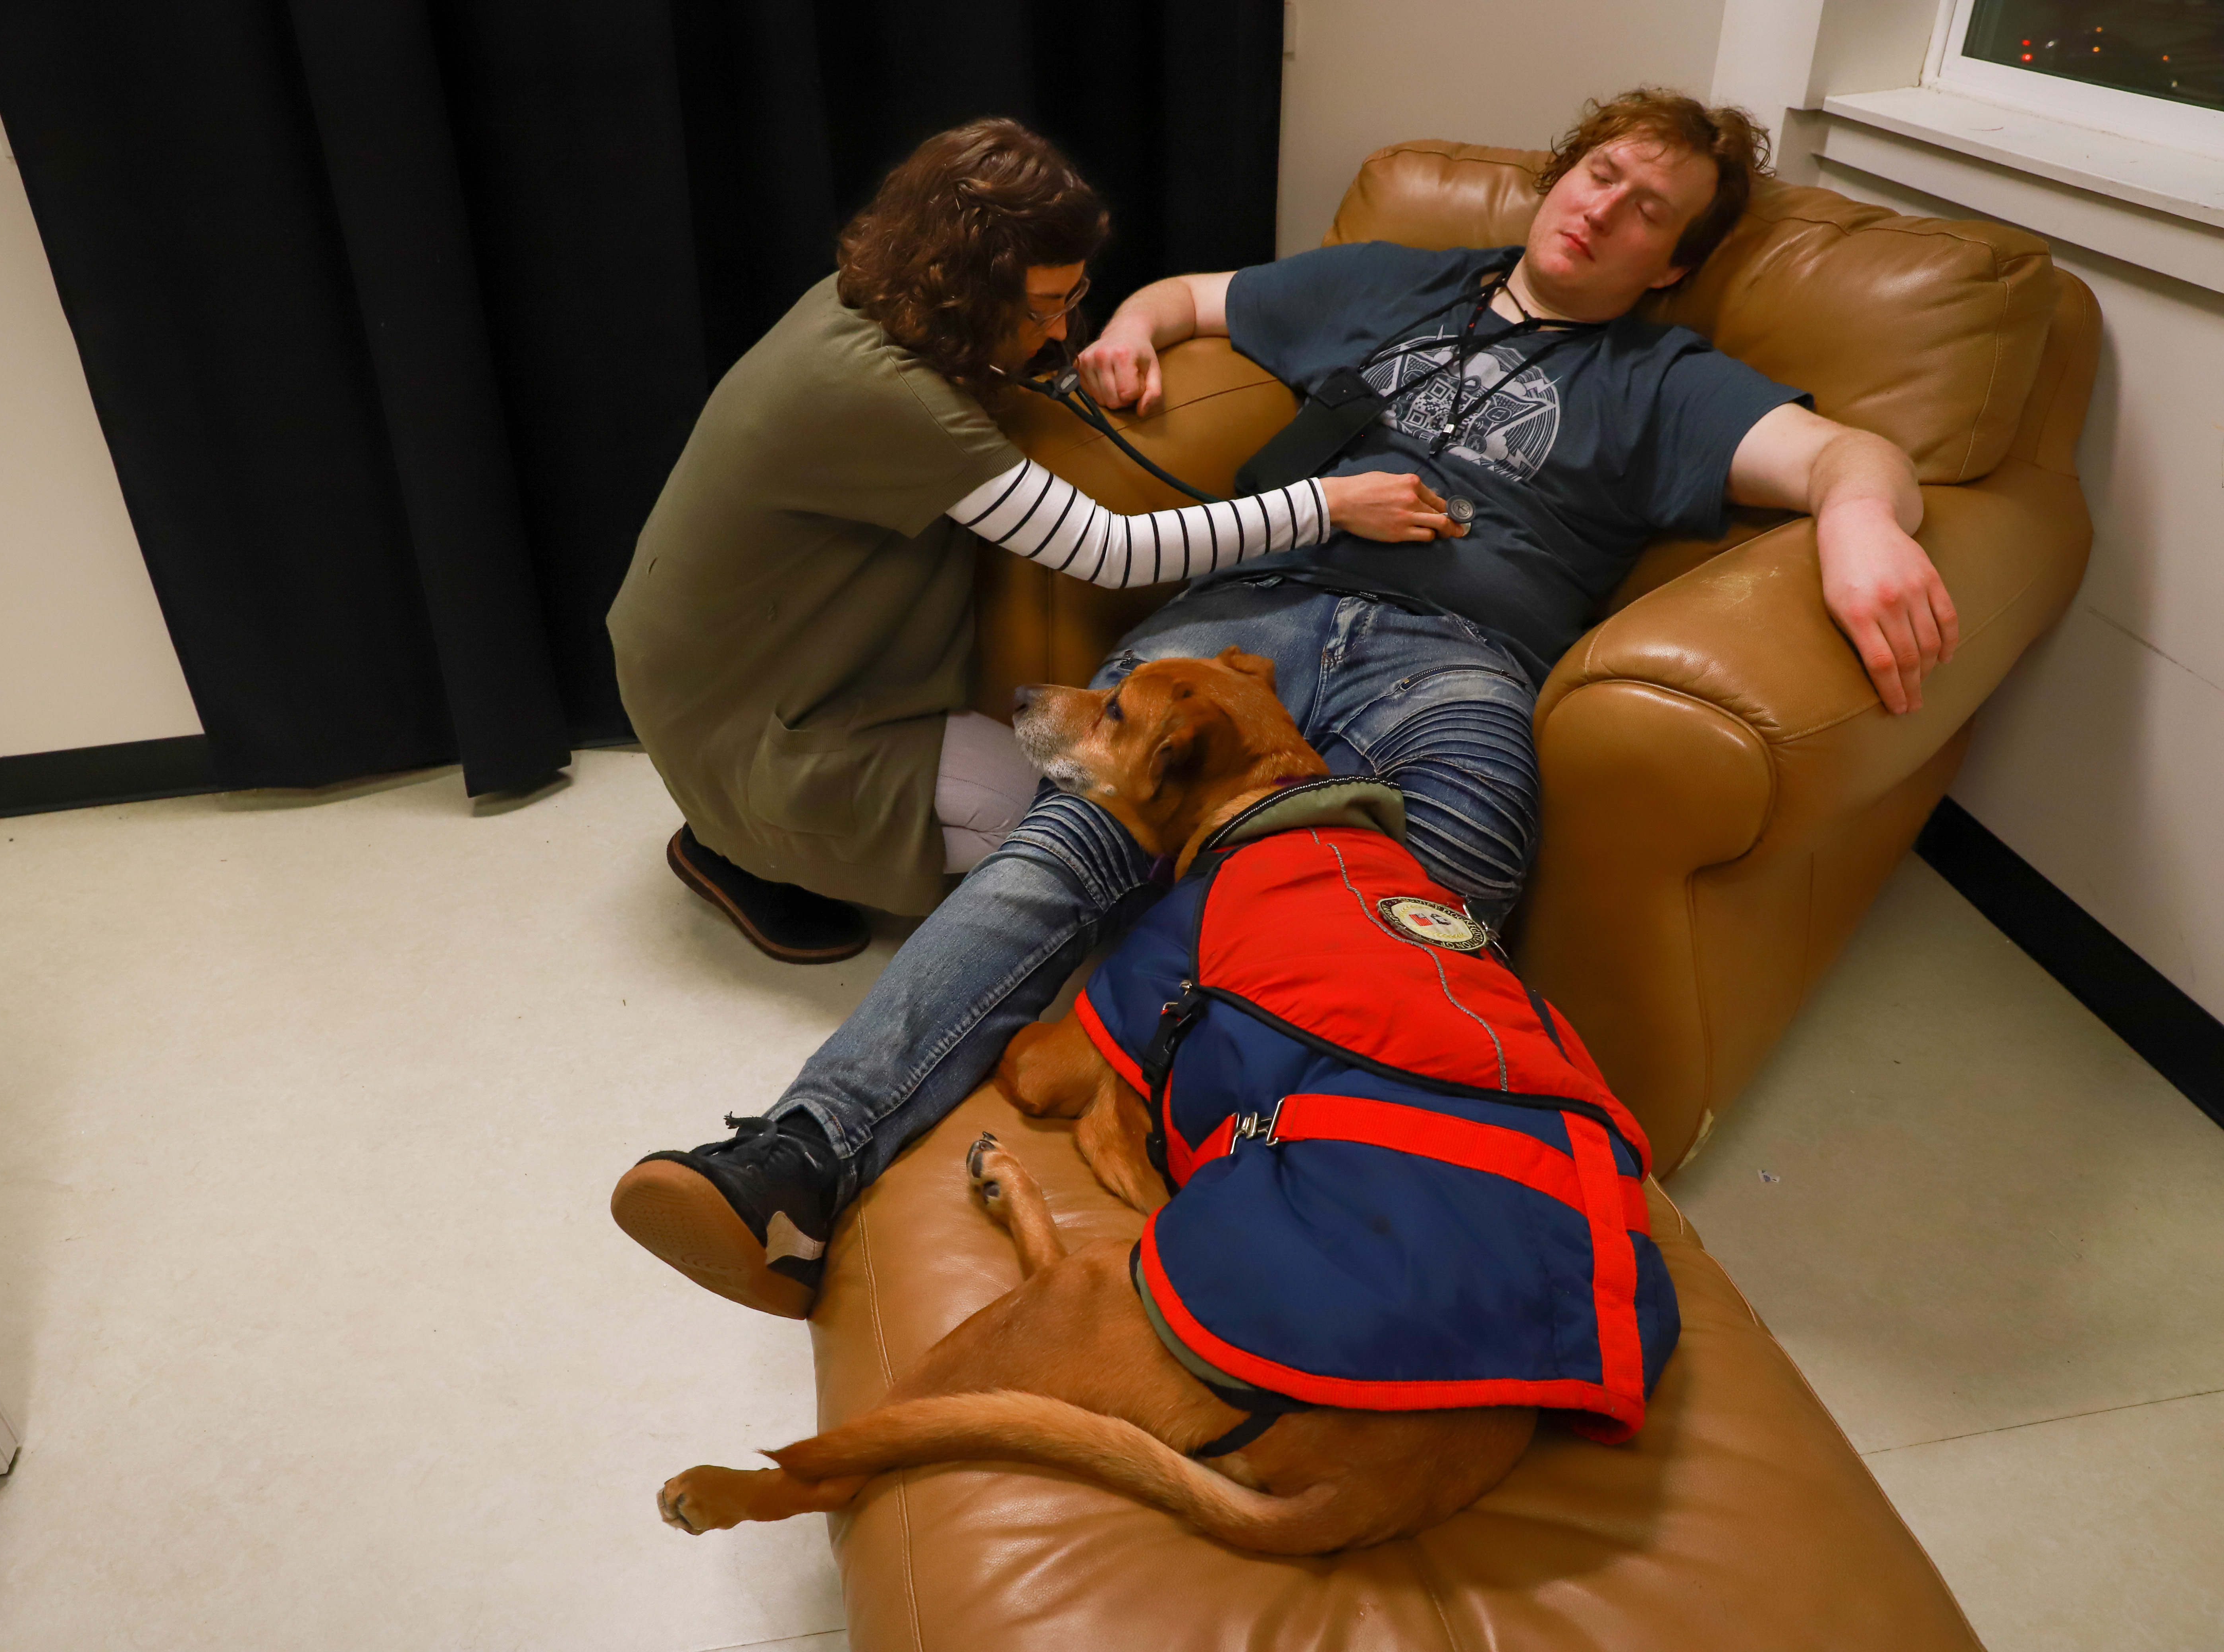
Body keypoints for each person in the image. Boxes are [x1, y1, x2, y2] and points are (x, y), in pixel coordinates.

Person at [611, 89, 1962, 1319]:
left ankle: (1359, 1211)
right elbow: (1197, 297)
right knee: (1072, 837)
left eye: (1647, 209)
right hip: (1242, 616)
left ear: (1666, 262)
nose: (1602, 206)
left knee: (1429, 901)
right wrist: (1133, 329)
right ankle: (796, 1157)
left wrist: (1863, 526)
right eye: (1597, 172)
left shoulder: (1667, 384)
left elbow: (1853, 451)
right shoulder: (1397, 283)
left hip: (1459, 659)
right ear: (1560, 179)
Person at [609, 119, 1441, 965]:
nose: (1057, 334)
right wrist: (1327, 503)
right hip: (739, 717)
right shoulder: (887, 398)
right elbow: (1108, 551)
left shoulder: (863, 298)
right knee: (1080, 821)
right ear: (968, 289)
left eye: (1072, 301)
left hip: (709, 666)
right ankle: (739, 844)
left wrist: (1120, 335)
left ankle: (744, 822)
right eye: (1043, 309)